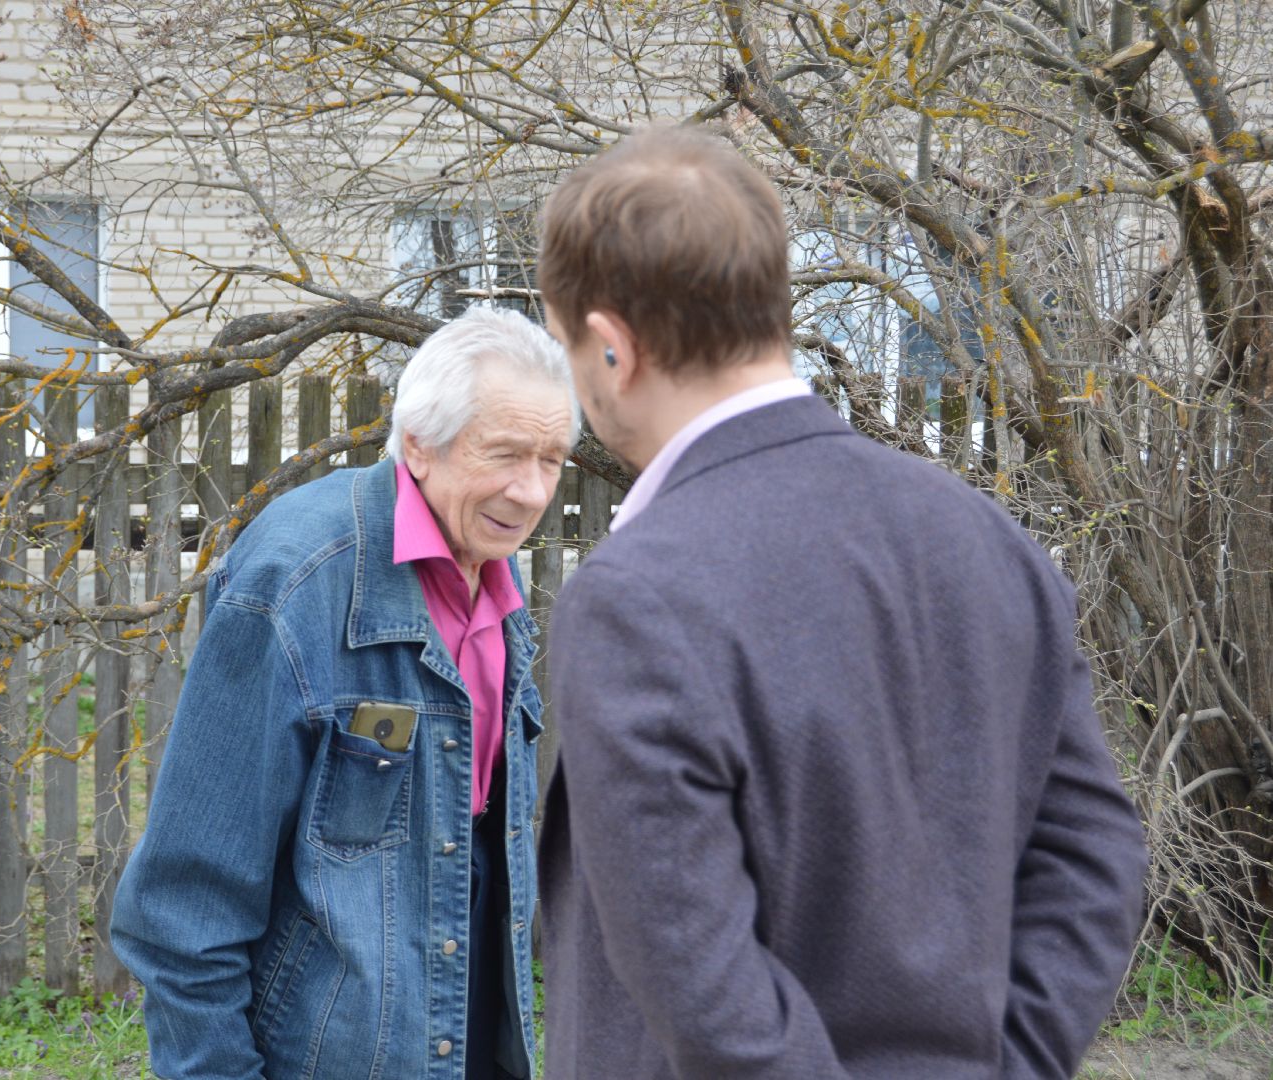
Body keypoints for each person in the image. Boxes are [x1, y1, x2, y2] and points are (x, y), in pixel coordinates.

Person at [534, 125, 1149, 1079]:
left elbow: (701, 984)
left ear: (612, 347)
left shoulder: (635, 599)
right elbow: (1095, 859)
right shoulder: (987, 539)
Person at [111, 305, 579, 1080]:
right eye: (505, 455)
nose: (531, 492)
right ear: (420, 447)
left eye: (553, 459)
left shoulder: (495, 570)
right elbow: (182, 912)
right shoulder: (297, 580)